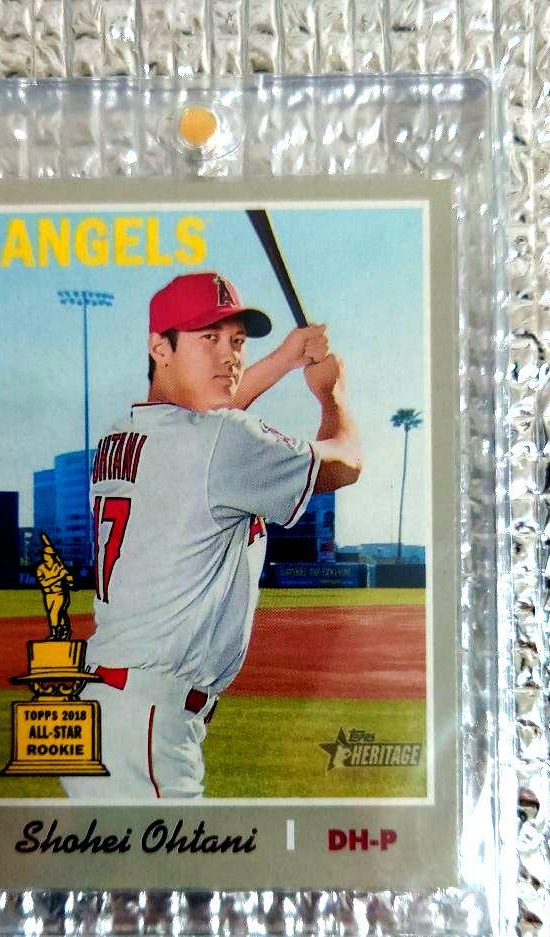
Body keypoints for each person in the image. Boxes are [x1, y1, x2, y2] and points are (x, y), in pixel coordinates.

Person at [61, 271, 361, 800]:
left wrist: (285, 359)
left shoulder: (121, 434)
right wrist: (330, 395)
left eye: (238, 342)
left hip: (103, 711)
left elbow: (207, 420)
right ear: (160, 347)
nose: (230, 356)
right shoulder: (220, 441)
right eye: (209, 338)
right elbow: (346, 463)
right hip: (147, 730)